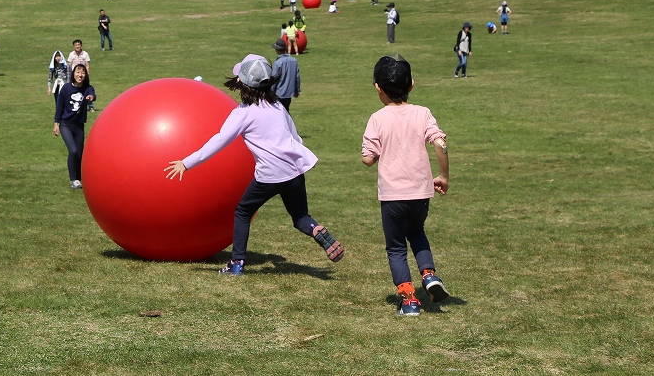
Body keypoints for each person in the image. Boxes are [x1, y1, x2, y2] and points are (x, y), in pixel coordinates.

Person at [165, 55, 344, 275]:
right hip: (294, 171)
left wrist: (187, 162)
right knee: (300, 216)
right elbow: (295, 137)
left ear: (242, 83)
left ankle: (237, 263)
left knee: (242, 211)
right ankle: (315, 229)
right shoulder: (277, 105)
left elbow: (219, 140)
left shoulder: (243, 113)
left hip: (269, 176)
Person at [362, 55, 450, 316]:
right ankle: (430, 275)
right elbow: (440, 142)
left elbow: (368, 159)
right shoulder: (423, 114)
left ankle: (409, 300)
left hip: (392, 196)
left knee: (396, 247)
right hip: (421, 193)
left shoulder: (377, 118)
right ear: (411, 85)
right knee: (418, 232)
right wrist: (443, 175)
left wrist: (374, 153)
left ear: (378, 88)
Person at [53, 63, 96, 189]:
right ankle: (73, 179)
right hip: (66, 125)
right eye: (78, 72)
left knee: (79, 154)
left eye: (82, 72)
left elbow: (93, 94)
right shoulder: (66, 88)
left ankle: (79, 178)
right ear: (73, 74)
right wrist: (56, 123)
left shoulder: (87, 88)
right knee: (73, 150)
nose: (80, 75)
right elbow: (59, 107)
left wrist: (91, 97)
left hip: (79, 126)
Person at [270, 39, 300, 110]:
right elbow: (297, 77)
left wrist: (270, 93)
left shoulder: (278, 63)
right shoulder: (294, 61)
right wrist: (297, 90)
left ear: (277, 49)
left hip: (279, 93)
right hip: (289, 93)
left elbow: (274, 79)